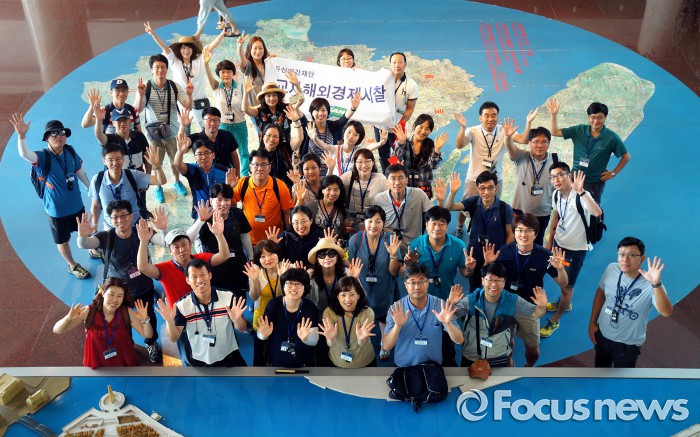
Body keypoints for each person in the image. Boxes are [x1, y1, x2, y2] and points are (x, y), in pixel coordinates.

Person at [76, 201, 167, 363]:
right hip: (119, 292)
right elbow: (84, 244)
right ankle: (127, 343)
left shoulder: (141, 232)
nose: (120, 220)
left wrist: (162, 229)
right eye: (115, 217)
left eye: (124, 215)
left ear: (131, 216)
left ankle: (151, 343)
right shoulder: (106, 237)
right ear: (110, 219)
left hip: (143, 287)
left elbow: (164, 241)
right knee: (122, 320)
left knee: (148, 317)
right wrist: (82, 236)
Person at [482, 213, 568, 367]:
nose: (523, 234)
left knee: (533, 349)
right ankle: (510, 363)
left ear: (536, 233)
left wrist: (560, 270)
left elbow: (563, 283)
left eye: (529, 230)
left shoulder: (544, 255)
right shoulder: (504, 251)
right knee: (507, 343)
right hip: (505, 305)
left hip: (531, 307)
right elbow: (488, 281)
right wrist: (487, 264)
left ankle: (529, 365)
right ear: (514, 233)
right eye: (519, 230)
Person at [11, 114, 91, 279]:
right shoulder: (42, 157)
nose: (59, 136)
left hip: (77, 205)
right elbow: (25, 154)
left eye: (62, 133)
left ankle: (91, 248)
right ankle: (72, 264)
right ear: (47, 137)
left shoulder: (70, 151)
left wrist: (91, 189)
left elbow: (80, 172)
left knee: (85, 231)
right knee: (62, 241)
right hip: (57, 212)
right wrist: (21, 136)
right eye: (54, 133)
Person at [588, 237, 673, 368]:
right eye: (621, 254)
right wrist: (592, 322)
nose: (625, 259)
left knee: (622, 378)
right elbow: (601, 292)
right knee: (600, 370)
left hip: (627, 345)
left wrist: (656, 284)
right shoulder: (611, 269)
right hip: (602, 335)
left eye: (632, 255)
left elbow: (666, 312)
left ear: (642, 259)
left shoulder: (651, 285)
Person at [452, 103, 532, 238]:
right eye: (486, 115)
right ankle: (460, 227)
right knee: (465, 207)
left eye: (493, 115)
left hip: (496, 180)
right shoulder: (472, 131)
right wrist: (462, 128)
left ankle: (488, 229)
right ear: (480, 118)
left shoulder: (504, 131)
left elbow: (524, 140)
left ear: (497, 116)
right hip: (474, 179)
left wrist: (528, 122)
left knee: (493, 208)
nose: (490, 119)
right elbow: (459, 144)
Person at [541, 162, 602, 338]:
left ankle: (556, 320)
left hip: (575, 251)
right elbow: (556, 216)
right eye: (553, 177)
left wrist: (581, 191)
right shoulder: (556, 195)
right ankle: (564, 303)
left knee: (567, 288)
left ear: (569, 176)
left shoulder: (582, 195)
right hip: (559, 244)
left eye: (560, 175)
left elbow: (597, 212)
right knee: (560, 279)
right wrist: (550, 241)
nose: (556, 180)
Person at [451, 263, 548, 368]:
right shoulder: (471, 300)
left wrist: (542, 307)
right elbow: (452, 316)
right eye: (490, 280)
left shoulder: (512, 301)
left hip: (499, 355)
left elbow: (536, 314)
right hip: (472, 355)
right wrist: (451, 303)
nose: (494, 284)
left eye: (498, 280)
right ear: (483, 280)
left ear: (504, 282)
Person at [155, 258, 248, 367]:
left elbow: (242, 328)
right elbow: (173, 338)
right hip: (198, 362)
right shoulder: (182, 305)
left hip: (229, 356)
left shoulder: (228, 297)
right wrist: (170, 322)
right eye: (194, 276)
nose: (199, 280)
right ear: (187, 280)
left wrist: (237, 320)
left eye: (203, 274)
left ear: (210, 275)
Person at [53, 278, 152, 369]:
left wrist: (145, 320)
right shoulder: (89, 311)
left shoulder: (126, 312)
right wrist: (68, 318)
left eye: (119, 296)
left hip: (123, 357)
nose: (115, 300)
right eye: (111, 294)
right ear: (103, 293)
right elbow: (57, 330)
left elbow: (147, 335)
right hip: (97, 357)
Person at [133, 54, 193, 203]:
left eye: (163, 67)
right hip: (154, 135)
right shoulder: (145, 88)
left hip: (172, 132)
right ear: (151, 69)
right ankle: (158, 186)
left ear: (167, 69)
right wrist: (140, 95)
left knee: (175, 161)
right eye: (157, 67)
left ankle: (176, 181)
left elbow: (188, 106)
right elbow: (137, 110)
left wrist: (190, 95)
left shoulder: (174, 87)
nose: (160, 70)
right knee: (156, 162)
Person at [136, 212, 230, 306]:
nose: (181, 249)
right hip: (180, 313)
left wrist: (219, 235)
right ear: (170, 251)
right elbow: (143, 267)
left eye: (184, 244)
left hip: (204, 308)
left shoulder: (201, 259)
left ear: (190, 245)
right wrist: (143, 241)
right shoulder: (165, 269)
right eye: (176, 247)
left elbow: (224, 255)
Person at [547, 99, 631, 204]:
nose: (596, 121)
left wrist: (613, 173)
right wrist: (553, 115)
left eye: (600, 117)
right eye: (593, 117)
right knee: (569, 207)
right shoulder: (579, 130)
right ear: (588, 117)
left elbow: (626, 157)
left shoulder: (611, 137)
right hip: (574, 179)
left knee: (591, 210)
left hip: (594, 182)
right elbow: (554, 132)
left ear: (605, 118)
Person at [441, 171, 514, 290]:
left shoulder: (504, 208)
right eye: (482, 188)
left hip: (495, 255)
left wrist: (503, 254)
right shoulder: (473, 202)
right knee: (474, 285)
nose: (486, 192)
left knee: (493, 286)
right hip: (475, 253)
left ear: (496, 188)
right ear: (477, 189)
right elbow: (449, 207)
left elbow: (510, 234)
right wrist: (453, 192)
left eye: (490, 188)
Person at [144, 22, 226, 128]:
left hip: (200, 102)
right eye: (183, 48)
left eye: (188, 48)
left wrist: (222, 34)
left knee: (206, 129)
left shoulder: (199, 60)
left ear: (193, 49)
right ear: (179, 49)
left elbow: (210, 47)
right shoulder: (174, 61)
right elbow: (164, 47)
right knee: (185, 131)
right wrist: (152, 34)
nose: (186, 51)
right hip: (183, 103)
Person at [347, 205, 401, 360]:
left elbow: (394, 272)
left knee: (384, 315)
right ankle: (360, 341)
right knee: (362, 315)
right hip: (362, 285)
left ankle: (384, 342)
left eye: (378, 221)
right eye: (370, 221)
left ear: (384, 223)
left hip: (384, 285)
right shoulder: (355, 240)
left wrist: (393, 256)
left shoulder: (391, 240)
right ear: (364, 222)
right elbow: (349, 265)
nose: (373, 225)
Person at [382, 264, 463, 367]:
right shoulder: (396, 309)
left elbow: (459, 340)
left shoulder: (440, 305)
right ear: (406, 285)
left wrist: (448, 324)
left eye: (421, 281)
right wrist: (397, 327)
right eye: (412, 282)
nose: (417, 287)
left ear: (428, 283)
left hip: (432, 367)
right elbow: (386, 346)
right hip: (404, 366)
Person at [503, 117, 557, 246]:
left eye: (544, 142)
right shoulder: (521, 156)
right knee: (517, 240)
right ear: (529, 143)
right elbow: (509, 146)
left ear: (549, 144)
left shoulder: (555, 160)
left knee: (537, 241)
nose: (539, 145)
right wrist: (508, 137)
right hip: (519, 210)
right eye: (536, 141)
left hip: (543, 212)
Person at [405, 206, 475, 301]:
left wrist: (469, 268)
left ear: (447, 226)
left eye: (441, 224)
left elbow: (466, 274)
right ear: (426, 225)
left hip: (448, 297)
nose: (437, 228)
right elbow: (405, 273)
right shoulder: (417, 245)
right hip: (421, 297)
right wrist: (409, 264)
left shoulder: (458, 245)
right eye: (433, 223)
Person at [197, 183, 253, 301]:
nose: (223, 203)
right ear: (211, 200)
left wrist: (251, 257)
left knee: (239, 301)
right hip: (215, 269)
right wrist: (200, 221)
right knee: (219, 302)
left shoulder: (237, 213)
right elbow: (193, 240)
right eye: (219, 200)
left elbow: (244, 236)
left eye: (227, 200)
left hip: (237, 266)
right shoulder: (205, 218)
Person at [89, 143, 165, 229]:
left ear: (123, 159)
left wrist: (157, 166)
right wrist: (95, 226)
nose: (115, 163)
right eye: (110, 160)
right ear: (104, 161)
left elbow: (161, 181)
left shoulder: (133, 175)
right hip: (111, 228)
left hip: (135, 226)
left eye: (118, 159)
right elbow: (96, 206)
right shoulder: (97, 180)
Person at [307, 235, 356, 366]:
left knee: (341, 348)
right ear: (317, 259)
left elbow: (361, 298)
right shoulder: (310, 275)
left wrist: (355, 279)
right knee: (321, 352)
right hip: (319, 320)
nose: (327, 258)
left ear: (337, 257)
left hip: (341, 318)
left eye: (331, 254)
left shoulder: (347, 273)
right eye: (322, 255)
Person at [257, 268, 320, 368]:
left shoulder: (310, 307)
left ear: (305, 288)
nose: (294, 288)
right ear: (283, 286)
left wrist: (306, 339)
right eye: (289, 283)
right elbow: (261, 334)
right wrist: (264, 336)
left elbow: (314, 341)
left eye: (298, 284)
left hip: (303, 362)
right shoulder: (274, 304)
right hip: (277, 360)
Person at [232, 149, 295, 245]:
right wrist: (230, 187)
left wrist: (289, 236)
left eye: (264, 164)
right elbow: (229, 203)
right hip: (249, 243)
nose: (260, 168)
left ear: (269, 167)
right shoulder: (242, 184)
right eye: (256, 164)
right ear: (250, 167)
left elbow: (287, 213)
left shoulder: (279, 186)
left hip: (274, 242)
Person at [202, 54, 249, 175]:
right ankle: (230, 174)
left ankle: (244, 175)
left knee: (243, 152)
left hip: (239, 124)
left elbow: (245, 105)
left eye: (229, 71)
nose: (226, 74)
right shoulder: (217, 87)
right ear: (219, 74)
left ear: (233, 73)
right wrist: (206, 64)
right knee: (226, 152)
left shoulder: (240, 86)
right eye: (223, 72)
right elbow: (209, 76)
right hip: (223, 125)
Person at [373, 164, 433, 253]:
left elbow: (434, 215)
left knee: (414, 262)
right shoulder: (379, 199)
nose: (397, 182)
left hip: (415, 247)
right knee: (391, 262)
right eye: (393, 178)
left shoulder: (418, 194)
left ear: (407, 180)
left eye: (401, 178)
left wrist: (440, 201)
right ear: (387, 182)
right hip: (389, 247)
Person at [243, 239, 285, 365]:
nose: (268, 259)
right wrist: (254, 280)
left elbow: (292, 295)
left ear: (278, 254)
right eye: (262, 256)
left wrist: (284, 278)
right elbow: (254, 297)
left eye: (271, 254)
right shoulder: (256, 271)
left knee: (279, 348)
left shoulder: (287, 268)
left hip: (282, 316)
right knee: (260, 350)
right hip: (262, 316)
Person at [375, 52, 418, 172]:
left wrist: (401, 124)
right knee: (383, 154)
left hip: (397, 125)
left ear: (405, 64)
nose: (397, 65)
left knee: (397, 154)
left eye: (400, 62)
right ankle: (386, 176)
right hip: (381, 124)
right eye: (394, 62)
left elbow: (410, 109)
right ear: (390, 64)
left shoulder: (411, 85)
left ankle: (396, 175)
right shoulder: (382, 79)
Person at [297, 93, 361, 175]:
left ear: (328, 112)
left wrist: (353, 108)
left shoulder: (332, 126)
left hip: (330, 171)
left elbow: (344, 119)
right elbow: (301, 116)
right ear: (312, 113)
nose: (320, 113)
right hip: (311, 172)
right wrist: (296, 106)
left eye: (323, 110)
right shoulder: (309, 126)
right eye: (317, 110)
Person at [320, 276, 377, 368]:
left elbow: (362, 344)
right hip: (337, 361)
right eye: (343, 295)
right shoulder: (329, 312)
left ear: (358, 295)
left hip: (364, 361)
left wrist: (361, 339)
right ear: (338, 296)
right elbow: (331, 344)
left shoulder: (367, 312)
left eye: (352, 294)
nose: (348, 299)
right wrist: (331, 338)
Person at [174, 131, 229, 219]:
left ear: (213, 155)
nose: (203, 157)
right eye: (199, 154)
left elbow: (231, 195)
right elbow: (178, 164)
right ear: (195, 157)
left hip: (221, 212)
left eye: (207, 153)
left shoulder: (224, 171)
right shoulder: (192, 170)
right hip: (200, 214)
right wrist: (180, 151)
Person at [243, 73, 304, 152]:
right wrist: (246, 93)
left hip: (284, 149)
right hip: (266, 149)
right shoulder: (259, 110)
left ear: (279, 96)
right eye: (268, 96)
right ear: (263, 98)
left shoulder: (286, 108)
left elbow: (301, 100)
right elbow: (245, 109)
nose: (272, 98)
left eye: (274, 95)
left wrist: (297, 85)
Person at [391, 114, 447, 199]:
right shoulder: (404, 142)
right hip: (404, 189)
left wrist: (437, 150)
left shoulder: (431, 145)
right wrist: (401, 143)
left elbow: (433, 166)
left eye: (427, 129)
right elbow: (393, 162)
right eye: (421, 127)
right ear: (414, 126)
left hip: (423, 190)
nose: (423, 131)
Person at [339, 149, 388, 233]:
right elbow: (332, 189)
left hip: (371, 226)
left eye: (367, 161)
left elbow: (390, 200)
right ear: (355, 163)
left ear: (373, 163)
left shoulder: (380, 179)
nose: (364, 165)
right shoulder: (348, 177)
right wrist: (343, 219)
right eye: (360, 162)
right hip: (349, 224)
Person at [181, 107, 240, 174]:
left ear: (220, 121)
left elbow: (234, 157)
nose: (212, 123)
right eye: (209, 120)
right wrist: (183, 126)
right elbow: (182, 144)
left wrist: (237, 175)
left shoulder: (227, 135)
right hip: (204, 177)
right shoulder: (196, 138)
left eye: (216, 120)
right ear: (202, 121)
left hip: (225, 175)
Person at [93, 106, 149, 173]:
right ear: (113, 123)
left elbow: (147, 157)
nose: (122, 123)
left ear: (129, 121)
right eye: (119, 121)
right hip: (117, 177)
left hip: (138, 177)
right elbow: (99, 135)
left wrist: (148, 176)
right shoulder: (109, 140)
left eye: (125, 120)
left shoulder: (139, 136)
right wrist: (99, 120)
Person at [303, 175, 348, 243]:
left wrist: (347, 230)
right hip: (315, 246)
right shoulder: (311, 206)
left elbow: (344, 232)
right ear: (322, 190)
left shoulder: (341, 208)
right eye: (328, 189)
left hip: (335, 247)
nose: (332, 193)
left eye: (336, 189)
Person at [258, 123, 297, 188]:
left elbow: (298, 139)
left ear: (280, 139)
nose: (271, 139)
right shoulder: (257, 156)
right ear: (263, 136)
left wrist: (296, 121)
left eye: (275, 136)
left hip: (286, 188)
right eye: (269, 135)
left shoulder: (285, 149)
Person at [237, 34, 271, 104]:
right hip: (255, 107)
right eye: (255, 48)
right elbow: (242, 59)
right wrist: (240, 47)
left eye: (260, 48)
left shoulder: (268, 64)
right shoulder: (248, 65)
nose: (258, 51)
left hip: (270, 105)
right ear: (250, 50)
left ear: (264, 49)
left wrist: (275, 60)